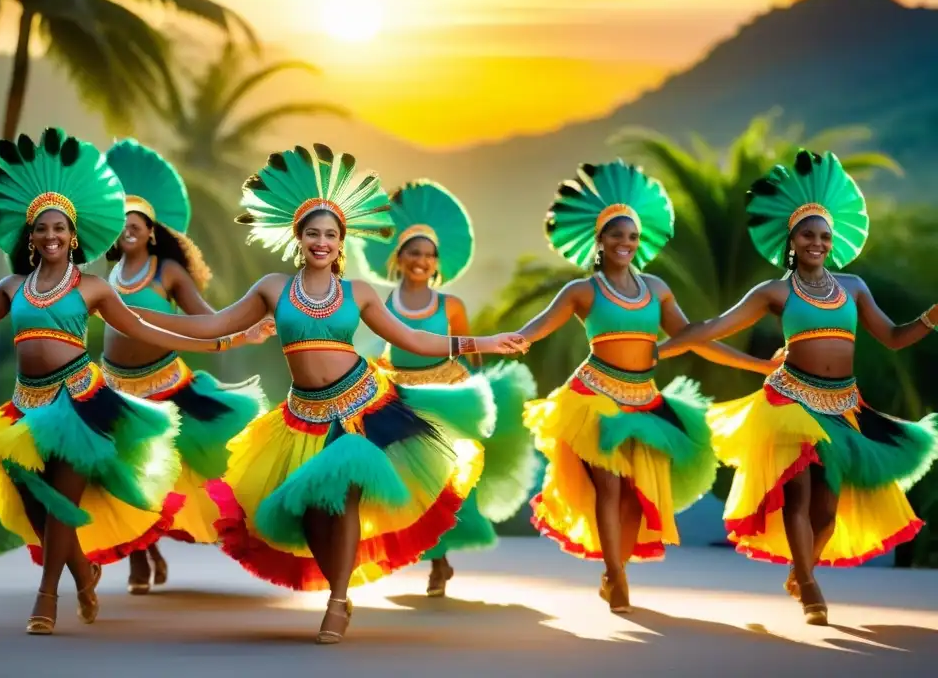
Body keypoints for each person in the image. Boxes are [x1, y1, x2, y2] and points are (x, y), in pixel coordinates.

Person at [132, 143, 526, 643]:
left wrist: (481, 341)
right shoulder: (273, 288)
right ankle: (339, 587)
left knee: (343, 503)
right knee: (314, 514)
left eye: (331, 234)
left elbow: (414, 338)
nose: (322, 241)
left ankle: (338, 602)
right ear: (299, 238)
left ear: (342, 243)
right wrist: (133, 316)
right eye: (313, 233)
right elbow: (210, 325)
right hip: (302, 417)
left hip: (364, 408)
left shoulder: (358, 292)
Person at [0, 128, 256, 635]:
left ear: (74, 237)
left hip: (79, 406)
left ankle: (46, 598)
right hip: (26, 408)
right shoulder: (12, 287)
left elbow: (149, 327)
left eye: (59, 228)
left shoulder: (93, 287)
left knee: (62, 505)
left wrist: (227, 341)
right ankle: (83, 575)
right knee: (36, 503)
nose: (50, 236)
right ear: (29, 239)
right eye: (40, 229)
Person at [657, 149, 938, 625]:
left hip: (844, 405)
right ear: (791, 239)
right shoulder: (774, 292)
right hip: (791, 400)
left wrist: (930, 318)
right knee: (800, 495)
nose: (817, 242)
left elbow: (892, 337)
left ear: (834, 242)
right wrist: (662, 350)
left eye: (825, 236)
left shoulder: (853, 287)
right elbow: (712, 326)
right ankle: (810, 588)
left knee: (827, 510)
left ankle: (800, 566)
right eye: (808, 234)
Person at [510, 159, 776, 613]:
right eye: (617, 234)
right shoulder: (582, 290)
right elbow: (534, 329)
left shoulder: (656, 288)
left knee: (635, 495)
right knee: (609, 489)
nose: (625, 243)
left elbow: (696, 337)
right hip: (594, 398)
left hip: (645, 400)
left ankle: (617, 568)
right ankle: (616, 577)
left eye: (632, 236)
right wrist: (490, 342)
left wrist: (758, 366)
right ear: (600, 239)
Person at [353, 179, 538, 597]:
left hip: (448, 395)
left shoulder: (450, 305)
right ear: (397, 259)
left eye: (428, 255)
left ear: (438, 263)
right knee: (402, 481)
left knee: (441, 480)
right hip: (398, 394)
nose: (421, 260)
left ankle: (439, 561)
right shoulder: (380, 302)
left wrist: (482, 391)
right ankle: (403, 550)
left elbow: (472, 351)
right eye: (413, 252)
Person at [101, 139, 271, 594]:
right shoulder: (106, 278)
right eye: (120, 225)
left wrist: (246, 330)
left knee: (167, 477)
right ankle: (140, 554)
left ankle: (151, 547)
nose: (128, 231)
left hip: (168, 388)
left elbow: (207, 319)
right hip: (115, 388)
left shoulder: (166, 273)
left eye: (135, 224)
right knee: (125, 474)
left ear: (152, 231)